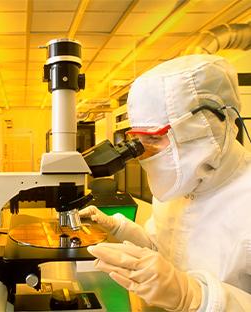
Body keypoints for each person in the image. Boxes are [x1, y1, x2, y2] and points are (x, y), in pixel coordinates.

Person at [80, 54, 251, 311]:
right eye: (137, 140)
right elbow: (161, 249)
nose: (144, 154)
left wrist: (195, 297)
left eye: (153, 139)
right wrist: (119, 228)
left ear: (205, 126)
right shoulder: (178, 182)